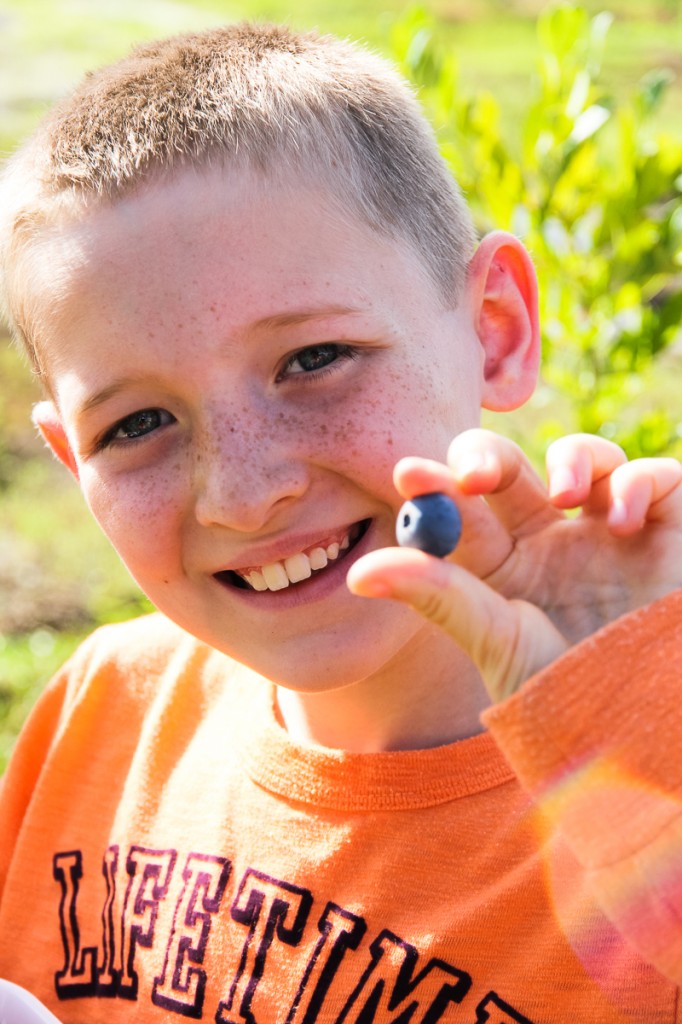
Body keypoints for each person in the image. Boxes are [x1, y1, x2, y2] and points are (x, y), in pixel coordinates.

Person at [0, 21, 680, 1024]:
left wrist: (626, 724)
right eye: (137, 424)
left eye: (314, 359)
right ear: (72, 461)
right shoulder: (100, 715)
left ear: (494, 330)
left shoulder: (655, 766)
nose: (242, 492)